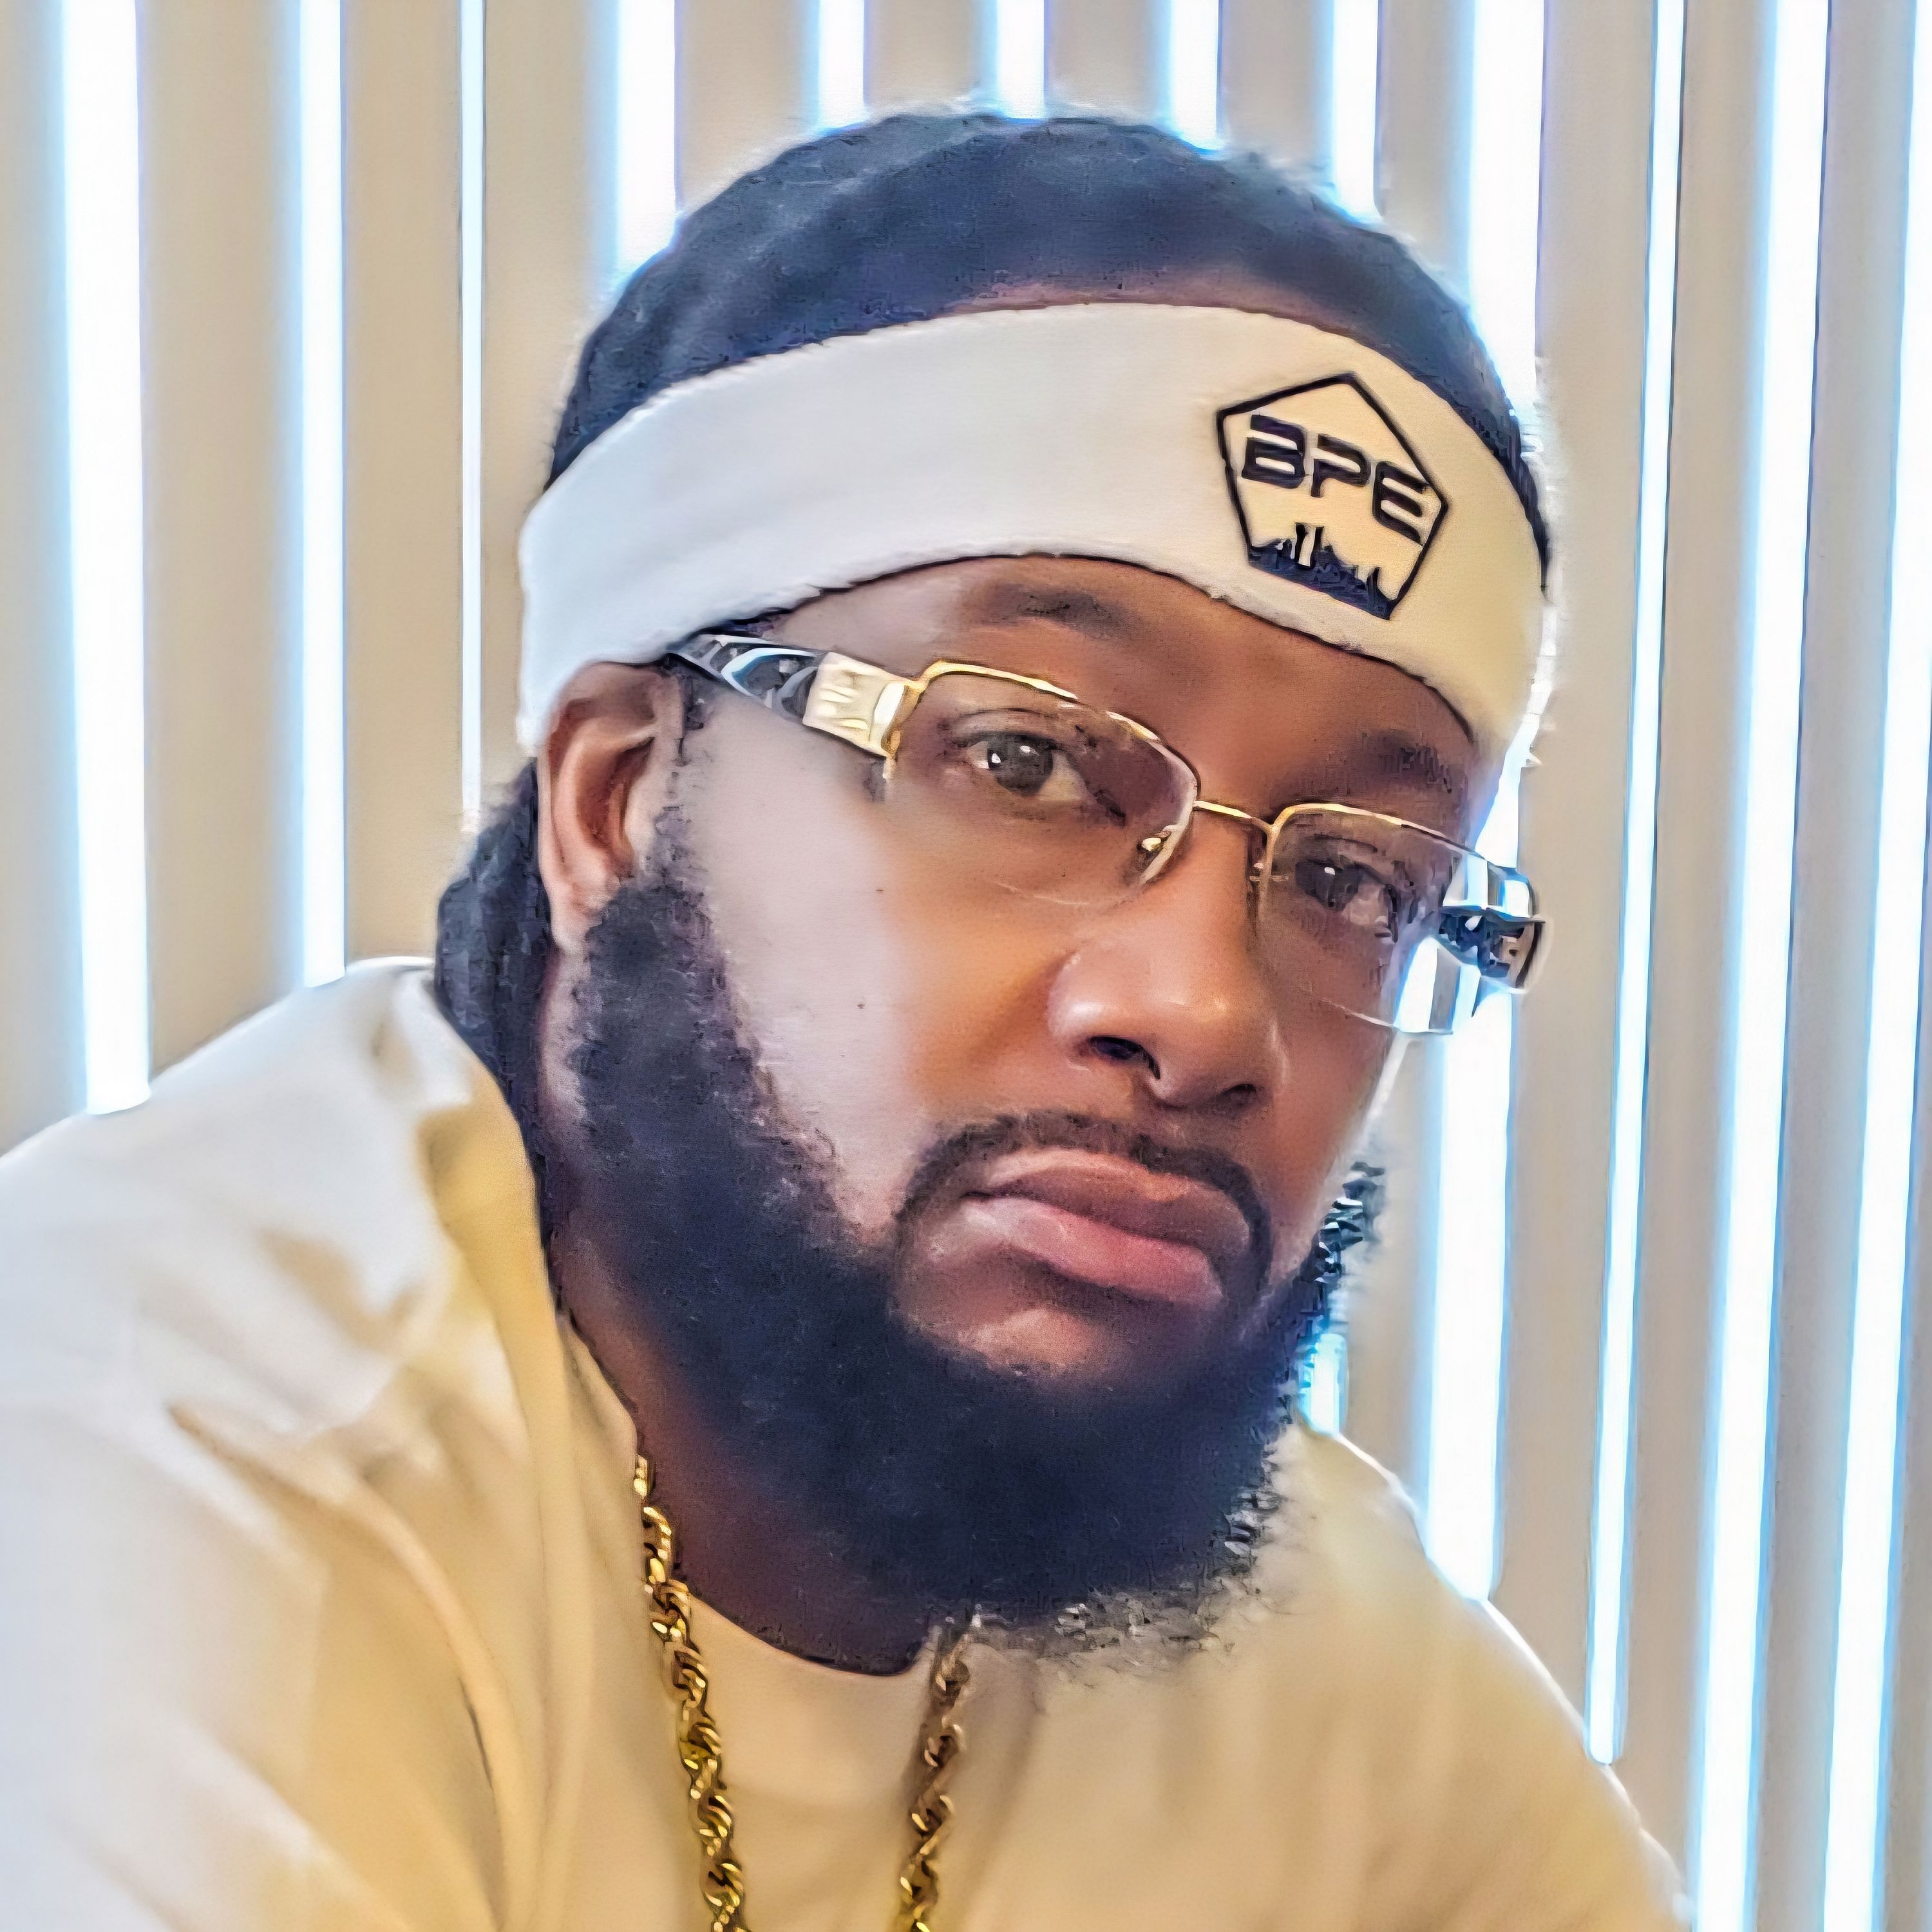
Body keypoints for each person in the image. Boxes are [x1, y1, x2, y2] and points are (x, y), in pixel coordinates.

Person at [0, 113, 1683, 1931]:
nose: (1204, 1013)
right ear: (617, 797)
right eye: (1026, 763)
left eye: (1357, 881)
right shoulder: (155, 1447)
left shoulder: (1324, 1649)